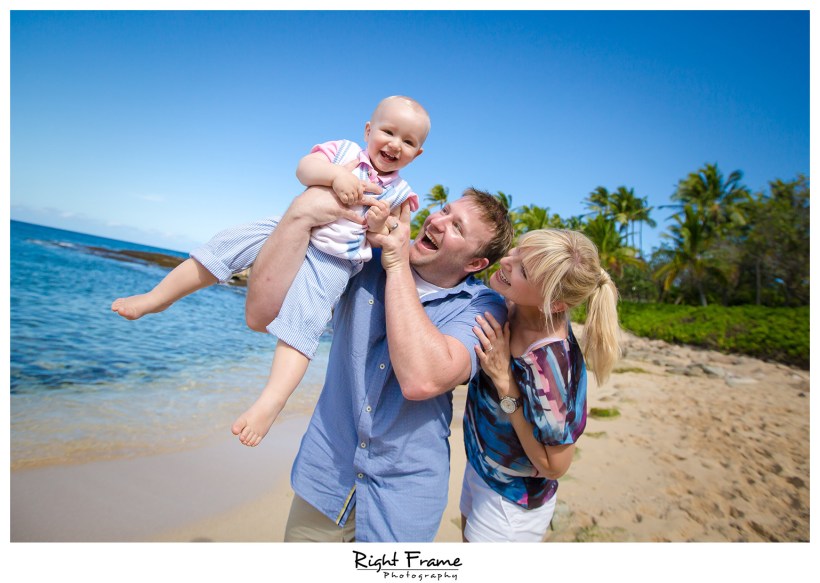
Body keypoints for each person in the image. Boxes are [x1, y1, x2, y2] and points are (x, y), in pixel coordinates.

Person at [111, 96, 430, 447]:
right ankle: (157, 298)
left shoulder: (401, 194)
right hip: (285, 227)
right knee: (227, 245)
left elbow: (387, 236)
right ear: (369, 130)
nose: (395, 145)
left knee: (303, 323)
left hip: (334, 260)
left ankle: (270, 402)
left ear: (417, 154)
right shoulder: (343, 152)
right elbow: (304, 169)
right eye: (388, 132)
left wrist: (379, 223)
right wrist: (336, 175)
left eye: (408, 142)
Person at [242, 184, 514, 542]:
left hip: (403, 499)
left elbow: (422, 380)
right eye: (445, 210)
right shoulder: (362, 256)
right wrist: (299, 215)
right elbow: (261, 316)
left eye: (457, 227)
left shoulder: (483, 306)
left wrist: (397, 265)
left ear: (475, 264)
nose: (436, 221)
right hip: (325, 473)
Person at [460, 228, 621, 542]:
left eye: (522, 270)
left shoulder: (548, 364)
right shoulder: (518, 306)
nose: (506, 261)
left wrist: (505, 383)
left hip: (510, 506)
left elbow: (555, 466)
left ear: (555, 304)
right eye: (518, 250)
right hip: (482, 468)